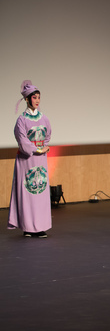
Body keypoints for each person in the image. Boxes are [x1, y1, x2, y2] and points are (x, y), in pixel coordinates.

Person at [7, 80, 52, 238]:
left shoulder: (44, 118)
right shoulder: (21, 120)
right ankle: (27, 227)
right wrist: (37, 149)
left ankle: (40, 226)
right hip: (27, 160)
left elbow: (48, 135)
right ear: (27, 99)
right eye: (34, 97)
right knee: (28, 192)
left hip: (41, 160)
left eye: (39, 97)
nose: (37, 100)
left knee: (40, 191)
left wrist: (44, 147)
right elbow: (22, 140)